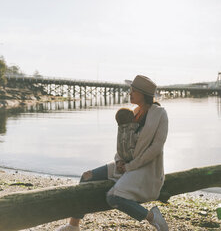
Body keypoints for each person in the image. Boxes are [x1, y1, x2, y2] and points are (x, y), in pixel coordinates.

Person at [56, 75, 169, 231]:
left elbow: (156, 148)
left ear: (143, 94)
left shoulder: (160, 114)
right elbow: (122, 142)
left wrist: (130, 167)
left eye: (133, 91)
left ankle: (153, 217)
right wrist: (119, 161)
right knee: (86, 176)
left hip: (145, 170)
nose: (130, 94)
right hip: (126, 165)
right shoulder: (133, 112)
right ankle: (73, 226)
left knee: (114, 197)